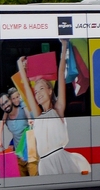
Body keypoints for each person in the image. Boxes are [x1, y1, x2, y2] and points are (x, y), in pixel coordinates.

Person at [17, 40, 90, 175]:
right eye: (36, 92)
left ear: (50, 91)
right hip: (45, 165)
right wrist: (21, 68)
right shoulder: (38, 114)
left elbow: (61, 73)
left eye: (41, 89)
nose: (38, 94)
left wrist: (64, 46)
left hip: (62, 160)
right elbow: (27, 87)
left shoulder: (58, 109)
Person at [0, 86, 37, 176]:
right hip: (19, 158)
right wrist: (10, 142)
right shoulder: (7, 119)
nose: (5, 105)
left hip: (31, 156)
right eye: (2, 105)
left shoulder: (24, 110)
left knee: (34, 184)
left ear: (10, 100)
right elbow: (16, 133)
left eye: (6, 102)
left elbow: (36, 126)